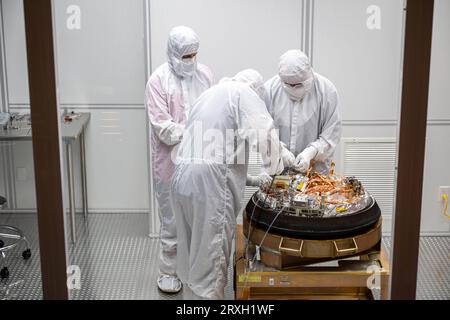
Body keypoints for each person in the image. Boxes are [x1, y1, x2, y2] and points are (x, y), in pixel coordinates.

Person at [170, 69, 284, 299]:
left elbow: (221, 154)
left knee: (194, 253)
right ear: (257, 91)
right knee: (211, 260)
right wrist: (275, 170)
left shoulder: (211, 94)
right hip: (208, 186)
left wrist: (253, 179)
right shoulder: (244, 93)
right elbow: (265, 135)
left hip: (183, 176)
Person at [145, 26, 213, 293]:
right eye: (186, 56)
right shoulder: (157, 81)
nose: (191, 61)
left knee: (199, 219)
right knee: (172, 221)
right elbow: (163, 127)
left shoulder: (205, 75)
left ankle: (196, 272)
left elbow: (213, 112)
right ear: (172, 53)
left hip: (200, 163)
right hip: (170, 165)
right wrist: (197, 135)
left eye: (194, 55)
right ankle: (168, 273)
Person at [264, 50, 342, 174]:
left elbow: (332, 133)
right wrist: (279, 150)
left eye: (298, 84)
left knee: (313, 192)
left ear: (309, 73)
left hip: (315, 173)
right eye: (289, 85)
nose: (294, 88)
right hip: (277, 172)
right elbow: (262, 131)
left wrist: (312, 152)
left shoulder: (327, 90)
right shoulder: (269, 90)